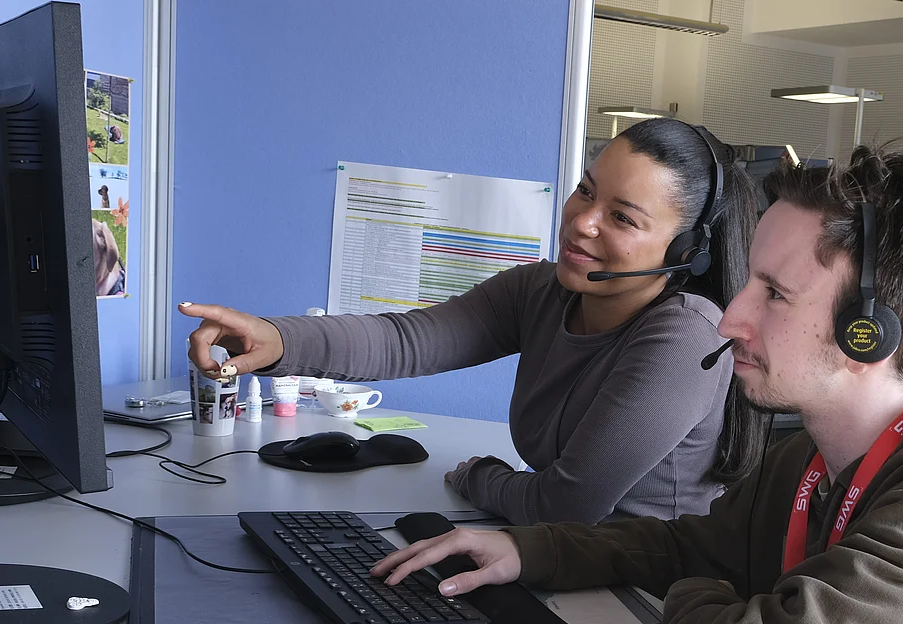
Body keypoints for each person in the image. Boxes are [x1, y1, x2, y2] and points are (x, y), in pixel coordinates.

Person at [371, 146, 903, 624]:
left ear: (872, 332)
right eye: (747, 284)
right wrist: (528, 550)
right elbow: (685, 544)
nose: (731, 319)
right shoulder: (809, 461)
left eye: (775, 294)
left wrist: (708, 600)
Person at [182, 118, 766, 525]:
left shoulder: (686, 332)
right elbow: (407, 341)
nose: (583, 222)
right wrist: (275, 338)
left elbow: (564, 504)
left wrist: (481, 478)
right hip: (555, 554)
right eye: (584, 192)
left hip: (645, 591)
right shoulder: (539, 291)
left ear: (688, 251)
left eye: (622, 217)